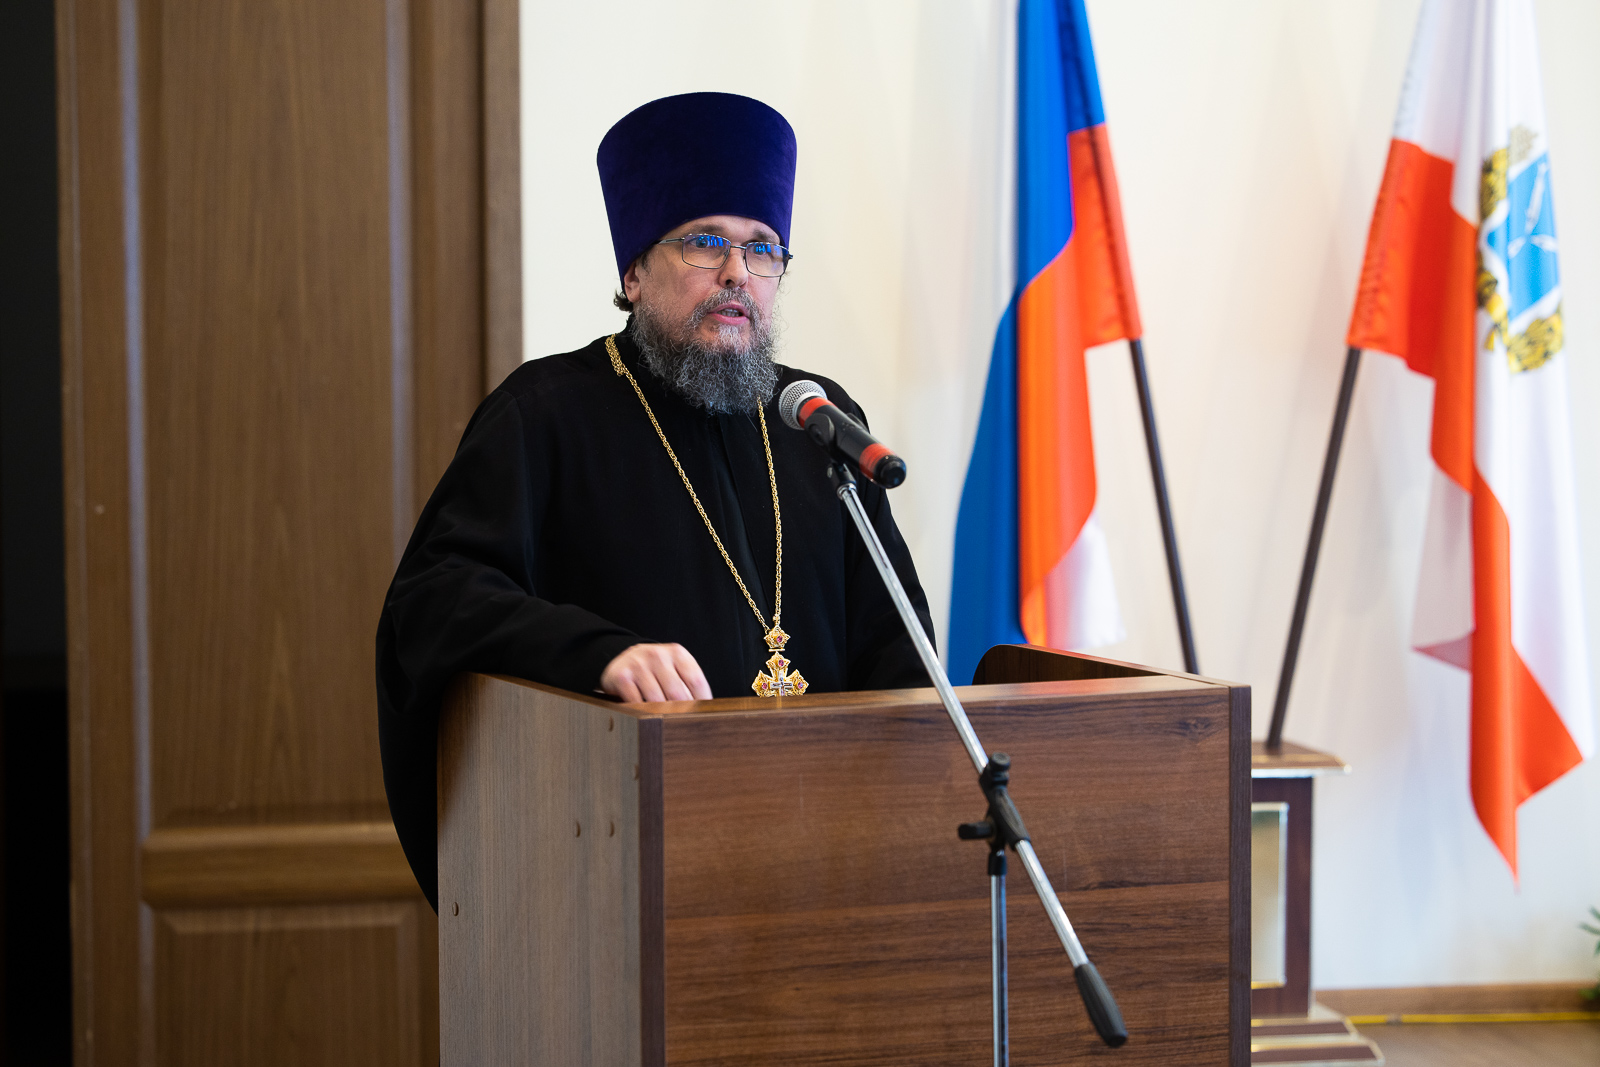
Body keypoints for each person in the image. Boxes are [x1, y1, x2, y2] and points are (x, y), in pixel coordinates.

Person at [376, 92, 934, 909]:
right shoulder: (545, 414)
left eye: (763, 249)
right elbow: (433, 602)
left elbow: (902, 653)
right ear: (633, 272)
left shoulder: (814, 418)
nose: (738, 273)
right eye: (707, 242)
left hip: (826, 867)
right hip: (620, 870)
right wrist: (597, 655)